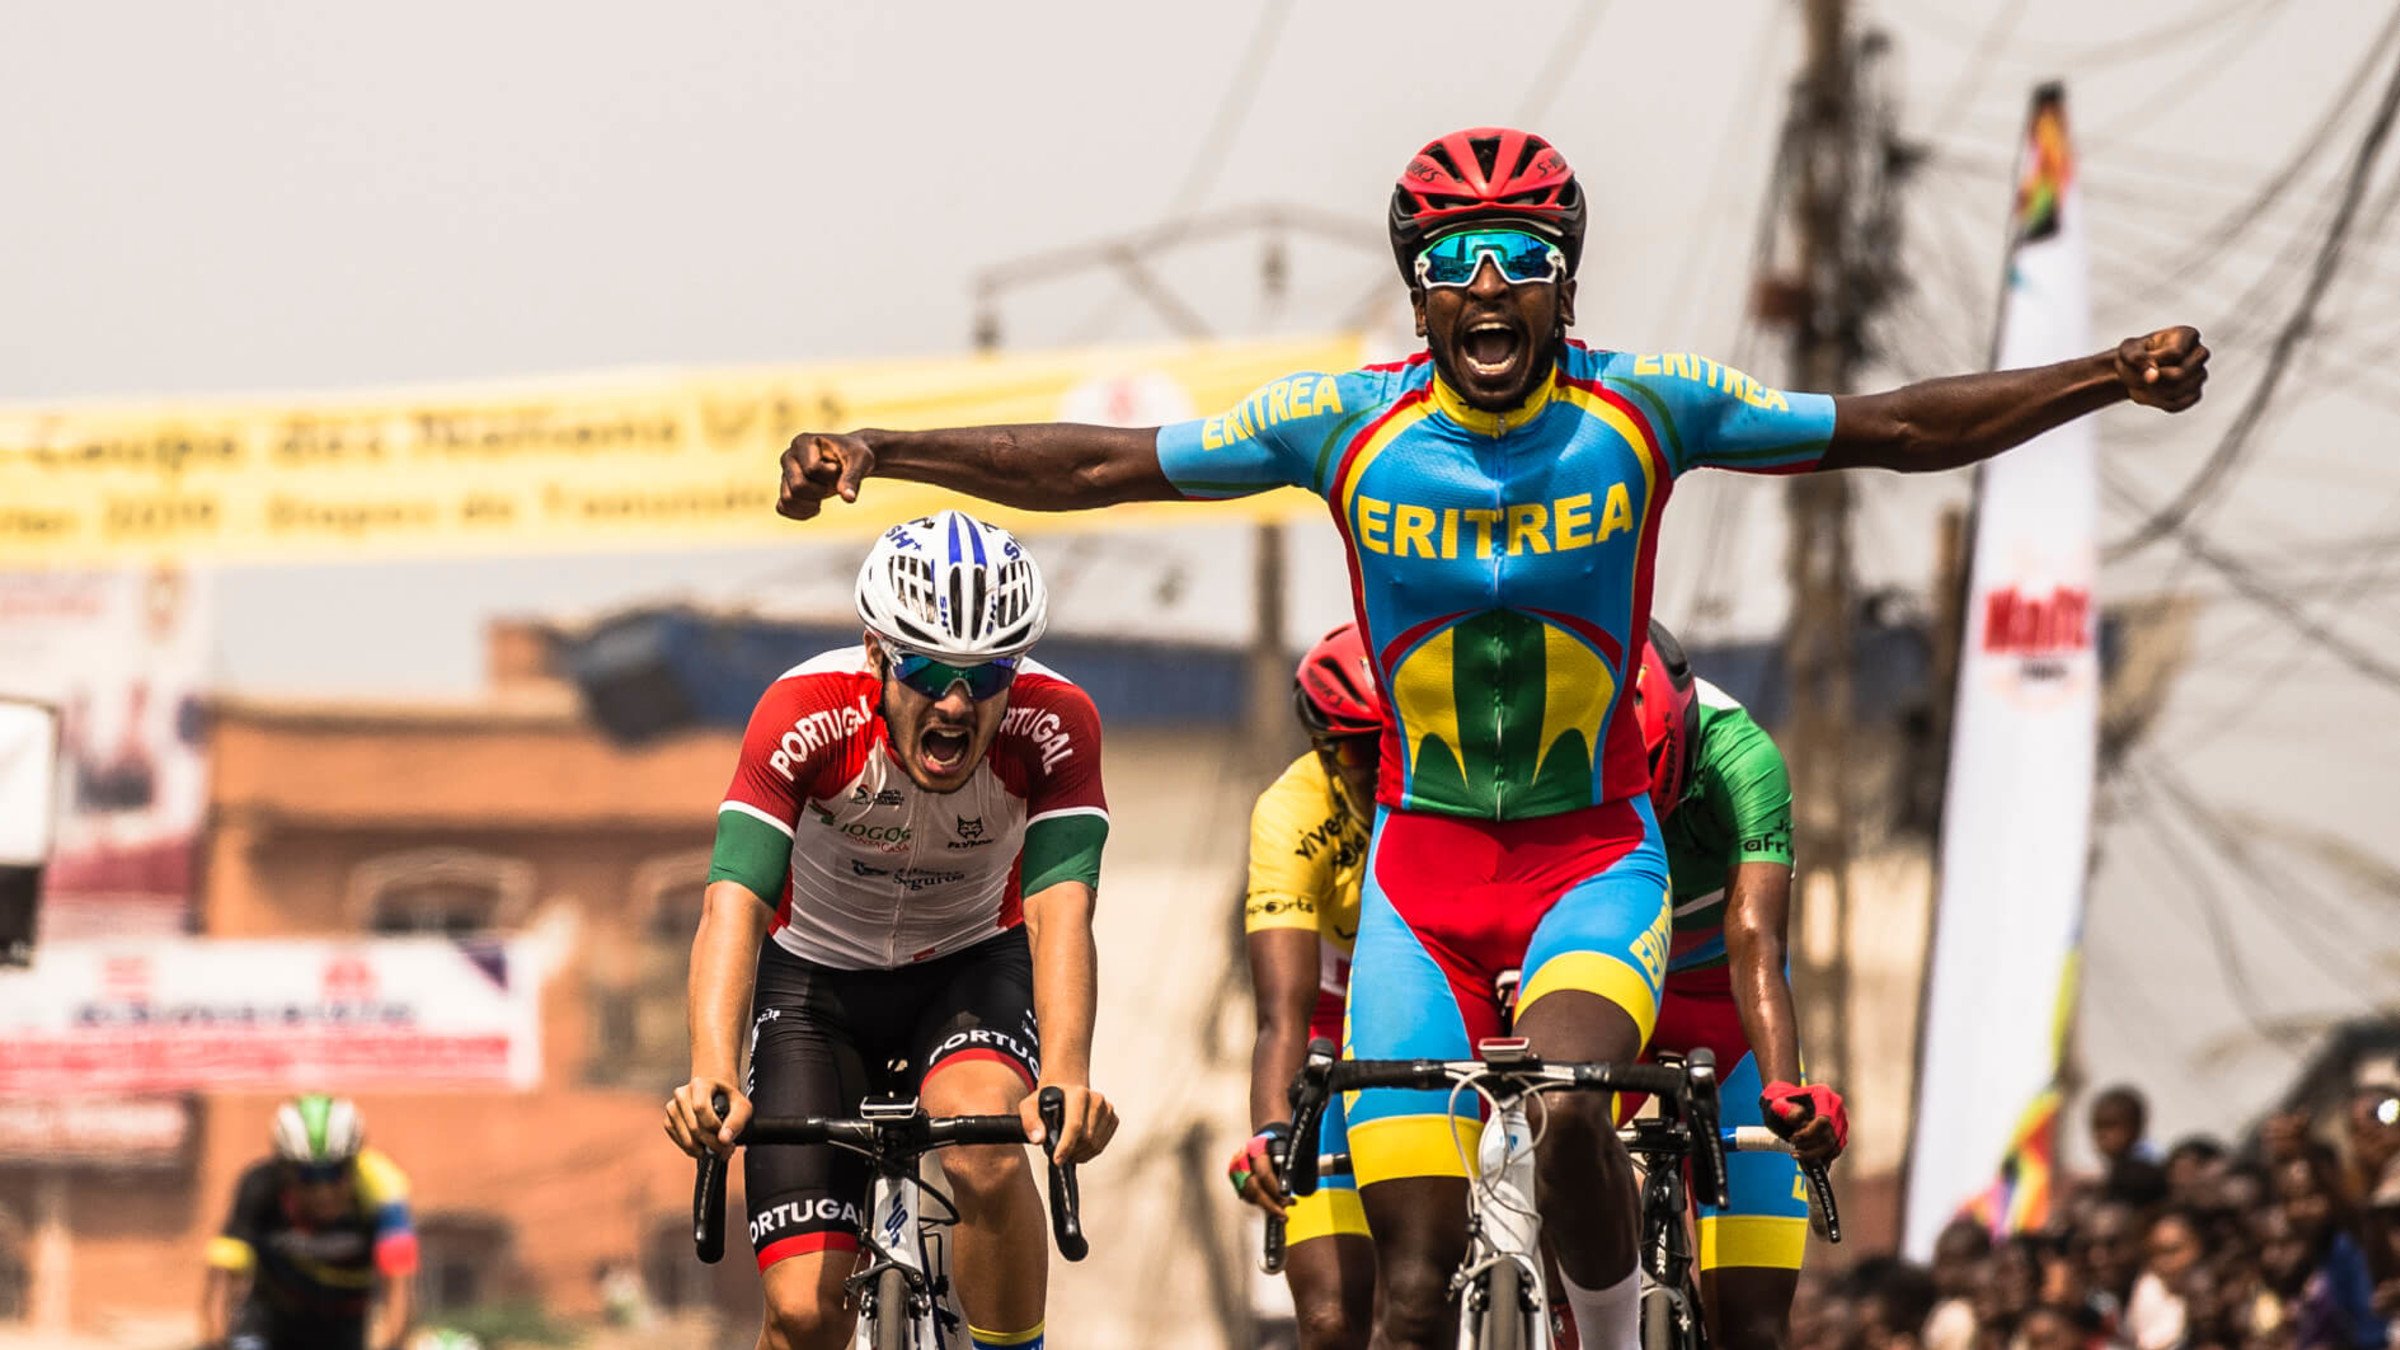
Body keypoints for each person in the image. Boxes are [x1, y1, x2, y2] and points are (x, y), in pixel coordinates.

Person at [773, 126, 2209, 1349]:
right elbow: (1099, 462)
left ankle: (1625, 1328)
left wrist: (2103, 374)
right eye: (1453, 261)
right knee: (1405, 1288)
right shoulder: (1344, 426)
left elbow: (1892, 429)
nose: (1487, 285)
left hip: (1594, 858)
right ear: (1417, 293)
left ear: (1564, 275)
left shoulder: (1645, 407)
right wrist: (882, 450)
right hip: (1420, 876)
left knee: (1580, 1107)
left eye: (1518, 253)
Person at [661, 511, 1118, 1350]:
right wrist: (712, 1071)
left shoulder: (1056, 724)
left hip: (969, 965)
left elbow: (1061, 910)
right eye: (928, 670)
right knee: (802, 1314)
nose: (954, 703)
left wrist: (1068, 1074)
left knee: (985, 1142)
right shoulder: (804, 712)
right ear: (876, 654)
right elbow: (734, 903)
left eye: (985, 678)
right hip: (813, 985)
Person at [1625, 621, 1846, 1350]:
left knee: (1751, 1324)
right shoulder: (1561, 750)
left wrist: (1785, 1090)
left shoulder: (1744, 757)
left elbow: (1755, 939)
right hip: (1616, 1012)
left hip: (1726, 1018)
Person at [1226, 622, 1382, 1350]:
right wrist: (1271, 1132)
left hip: (1454, 1016)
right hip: (1327, 1026)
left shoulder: (1457, 792)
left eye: (1392, 743)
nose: (1378, 767)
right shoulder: (1293, 811)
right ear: (1323, 747)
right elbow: (1281, 1017)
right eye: (1357, 747)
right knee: (1330, 1320)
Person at [201, 1093, 417, 1350]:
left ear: (354, 1163)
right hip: (269, 1320)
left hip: (343, 1325)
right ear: (285, 1170)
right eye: (307, 1175)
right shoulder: (259, 1188)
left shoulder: (383, 1191)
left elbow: (399, 1287)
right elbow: (222, 1281)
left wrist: (394, 1344)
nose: (322, 1191)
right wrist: (214, 1343)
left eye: (335, 1172)